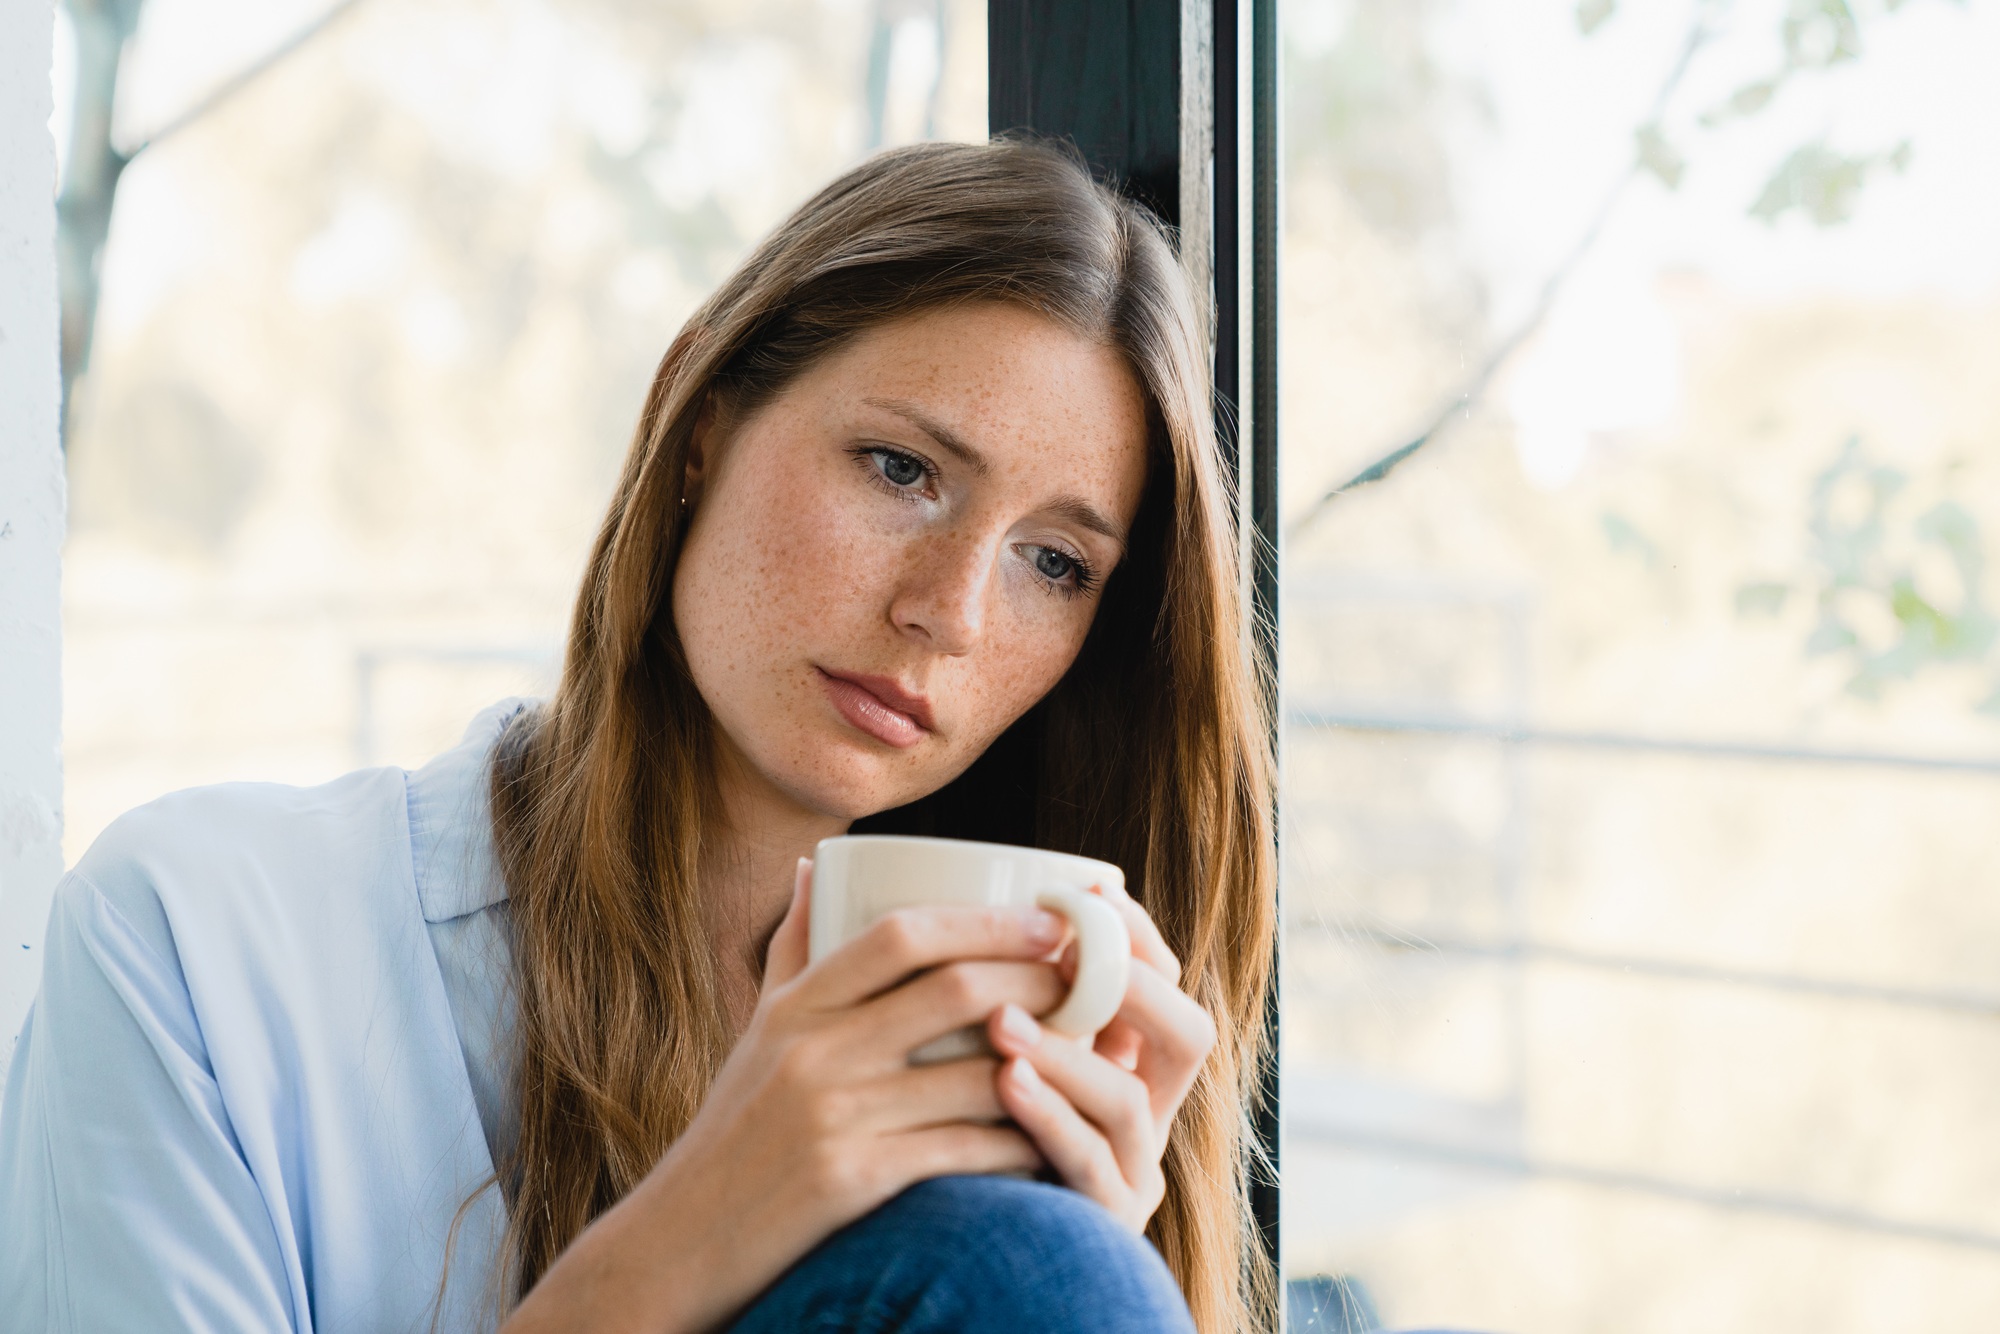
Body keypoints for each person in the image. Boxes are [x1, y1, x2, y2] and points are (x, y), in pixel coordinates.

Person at [0, 137, 1276, 1333]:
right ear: (699, 425)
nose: (946, 612)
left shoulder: (1017, 1041)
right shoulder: (203, 931)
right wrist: (711, 1216)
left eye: (1052, 560)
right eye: (899, 470)